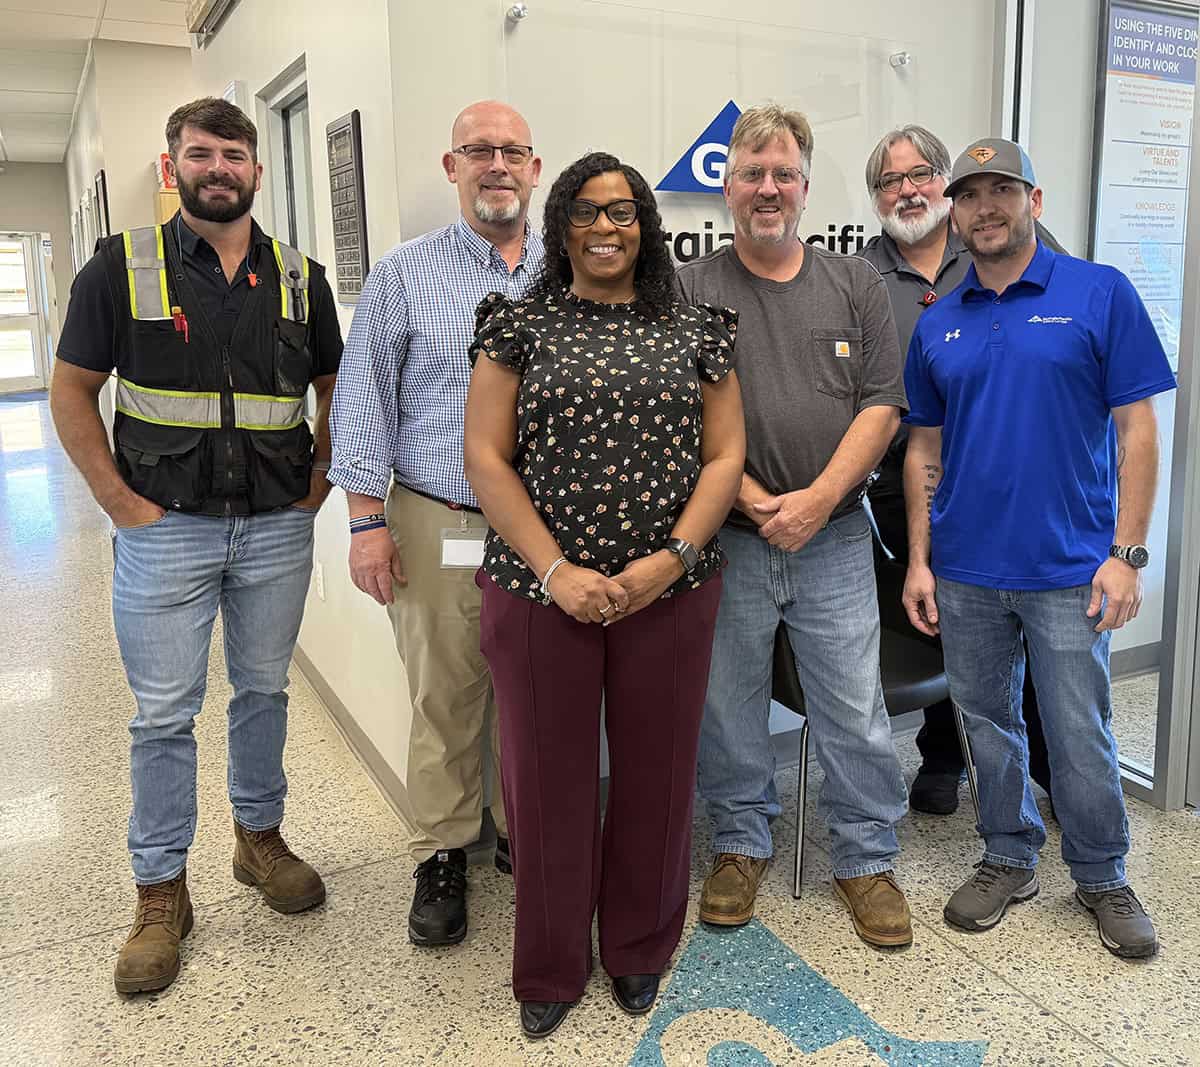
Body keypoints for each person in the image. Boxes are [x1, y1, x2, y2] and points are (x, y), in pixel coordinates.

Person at [50, 97, 341, 993]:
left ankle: (258, 839)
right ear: (174, 166)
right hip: (163, 528)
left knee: (262, 690)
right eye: (202, 153)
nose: (221, 168)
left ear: (257, 169)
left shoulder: (300, 277)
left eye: (236, 154)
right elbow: (72, 393)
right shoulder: (119, 268)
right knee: (163, 715)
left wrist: (318, 487)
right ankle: (160, 888)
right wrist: (118, 503)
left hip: (274, 529)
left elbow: (338, 386)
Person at [465, 152, 745, 1038]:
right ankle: (549, 961)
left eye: (623, 212)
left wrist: (670, 559)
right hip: (541, 588)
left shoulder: (696, 327)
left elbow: (725, 457)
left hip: (666, 588)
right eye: (586, 211)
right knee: (544, 781)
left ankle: (638, 946)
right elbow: (485, 456)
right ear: (560, 225)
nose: (605, 228)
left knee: (658, 776)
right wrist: (557, 571)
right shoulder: (519, 324)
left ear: (646, 225)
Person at [902, 138, 1174, 959]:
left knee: (1079, 728)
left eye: (1002, 191)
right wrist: (920, 559)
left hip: (1069, 569)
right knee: (987, 724)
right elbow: (923, 449)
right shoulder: (939, 322)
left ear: (1035, 200)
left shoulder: (1099, 293)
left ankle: (1100, 873)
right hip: (966, 570)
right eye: (970, 194)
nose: (985, 207)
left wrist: (1126, 553)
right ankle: (1010, 854)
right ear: (954, 212)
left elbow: (1138, 431)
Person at [679, 104, 913, 948]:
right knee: (727, 700)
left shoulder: (855, 286)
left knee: (853, 704)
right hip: (727, 539)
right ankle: (740, 843)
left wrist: (815, 500)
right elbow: (679, 414)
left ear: (807, 188)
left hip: (837, 537)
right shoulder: (691, 287)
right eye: (752, 173)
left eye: (783, 174)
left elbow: (882, 405)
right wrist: (745, 497)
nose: (767, 188)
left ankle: (864, 855)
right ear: (728, 185)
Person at [328, 101, 542, 948]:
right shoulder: (406, 274)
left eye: (511, 152)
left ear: (534, 168)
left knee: (537, 692)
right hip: (437, 514)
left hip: (548, 532)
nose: (496, 165)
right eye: (477, 151)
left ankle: (526, 837)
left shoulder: (567, 275)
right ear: (450, 167)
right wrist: (364, 520)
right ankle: (445, 852)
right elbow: (363, 398)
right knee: (445, 693)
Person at [858, 125, 1054, 816]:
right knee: (937, 619)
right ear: (875, 195)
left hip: (1013, 485)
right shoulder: (859, 273)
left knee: (1030, 627)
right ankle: (945, 754)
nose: (907, 190)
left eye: (919, 175)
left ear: (944, 181)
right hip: (904, 484)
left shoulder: (1006, 240)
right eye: (890, 181)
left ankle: (1055, 772)